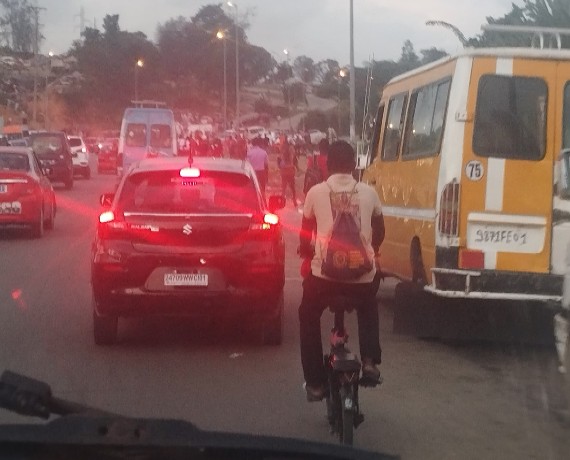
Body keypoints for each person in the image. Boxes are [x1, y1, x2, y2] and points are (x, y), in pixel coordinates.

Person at [298, 140, 385, 402]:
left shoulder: (315, 192)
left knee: (307, 315)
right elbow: (380, 233)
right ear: (353, 165)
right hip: (362, 279)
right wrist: (369, 251)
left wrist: (308, 254)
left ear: (327, 164)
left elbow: (304, 238)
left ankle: (315, 382)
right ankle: (369, 360)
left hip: (324, 280)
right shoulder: (369, 193)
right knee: (368, 305)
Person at [278, 138, 299, 206]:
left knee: (283, 188)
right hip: (291, 173)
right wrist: (297, 169)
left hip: (284, 173)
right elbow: (296, 164)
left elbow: (279, 165)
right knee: (293, 188)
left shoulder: (281, 155)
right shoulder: (292, 155)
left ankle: (281, 201)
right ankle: (294, 201)